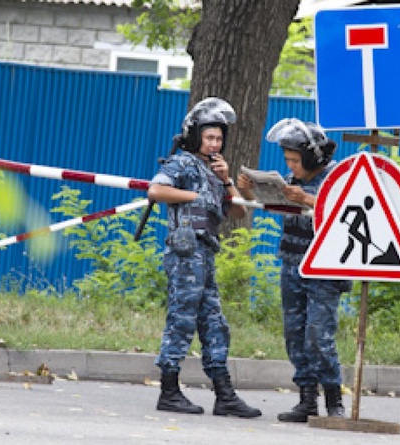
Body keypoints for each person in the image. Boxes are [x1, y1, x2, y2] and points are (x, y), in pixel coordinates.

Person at [148, 97, 261, 418]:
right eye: (209, 137)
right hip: (186, 252)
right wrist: (194, 195)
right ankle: (168, 390)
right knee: (182, 319)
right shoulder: (183, 163)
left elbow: (239, 211)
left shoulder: (214, 172)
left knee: (214, 323)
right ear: (196, 135)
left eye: (219, 138)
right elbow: (156, 191)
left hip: (206, 253)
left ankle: (224, 395)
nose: (215, 143)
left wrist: (226, 180)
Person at [237, 118, 350, 422]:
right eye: (287, 160)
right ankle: (306, 400)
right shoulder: (292, 181)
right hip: (291, 264)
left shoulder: (337, 181)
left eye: (295, 161)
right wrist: (249, 191)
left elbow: (347, 213)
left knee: (318, 334)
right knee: (295, 334)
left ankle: (334, 401)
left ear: (313, 157)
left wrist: (310, 199)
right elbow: (270, 206)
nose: (291, 166)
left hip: (324, 269)